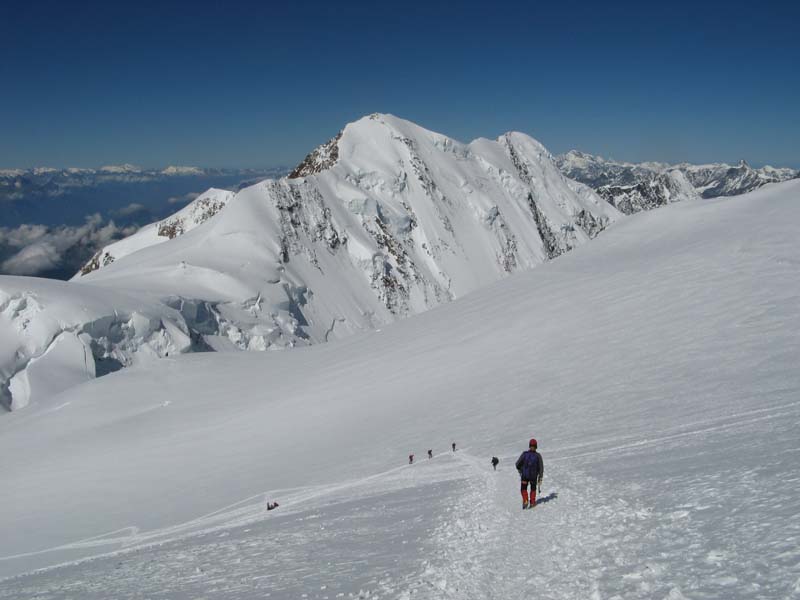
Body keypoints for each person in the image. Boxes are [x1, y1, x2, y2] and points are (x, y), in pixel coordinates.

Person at [515, 438, 544, 509]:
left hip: (525, 475)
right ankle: (532, 503)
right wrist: (540, 477)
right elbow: (541, 467)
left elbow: (517, 464)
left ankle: (525, 500)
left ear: (529, 445)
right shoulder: (538, 456)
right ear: (536, 446)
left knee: (523, 489)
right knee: (533, 489)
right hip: (533, 477)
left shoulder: (525, 454)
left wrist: (520, 470)